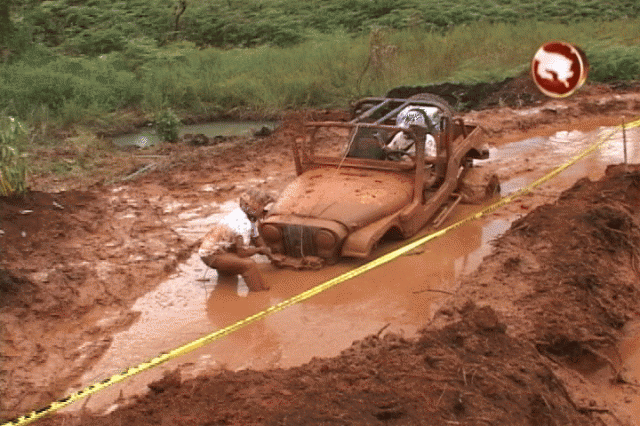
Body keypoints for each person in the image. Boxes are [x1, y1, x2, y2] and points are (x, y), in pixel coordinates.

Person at [199, 189, 274, 292]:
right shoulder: (243, 224)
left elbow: (257, 238)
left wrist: (269, 254)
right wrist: (260, 250)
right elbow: (242, 253)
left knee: (230, 276)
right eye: (263, 209)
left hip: (220, 249)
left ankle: (225, 281)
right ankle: (259, 293)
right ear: (255, 207)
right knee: (249, 264)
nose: (265, 212)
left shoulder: (247, 216)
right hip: (211, 256)